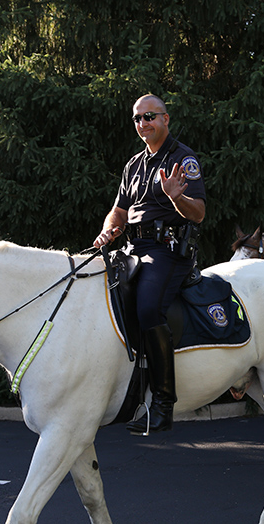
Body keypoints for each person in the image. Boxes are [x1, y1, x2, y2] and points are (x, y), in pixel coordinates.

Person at [94, 94, 206, 434]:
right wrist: (107, 230)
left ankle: (162, 403)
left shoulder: (182, 159)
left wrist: (176, 196)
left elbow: (199, 213)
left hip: (167, 251)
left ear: (166, 119)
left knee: (147, 310)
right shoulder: (134, 164)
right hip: (132, 248)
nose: (143, 123)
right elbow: (119, 209)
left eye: (150, 117)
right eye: (138, 118)